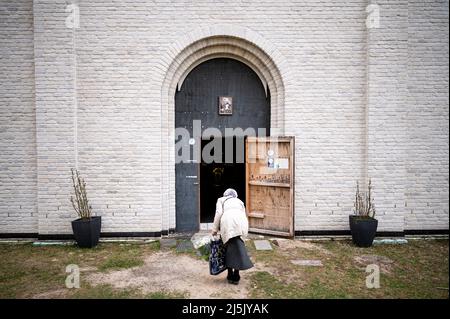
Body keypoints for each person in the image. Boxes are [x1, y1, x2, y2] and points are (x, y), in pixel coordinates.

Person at [211, 188, 253, 284]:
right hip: (241, 222)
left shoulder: (221, 200)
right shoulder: (239, 201)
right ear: (235, 195)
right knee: (238, 247)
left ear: (225, 195)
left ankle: (230, 274)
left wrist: (214, 230)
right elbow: (244, 213)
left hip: (228, 222)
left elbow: (218, 214)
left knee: (227, 248)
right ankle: (236, 275)